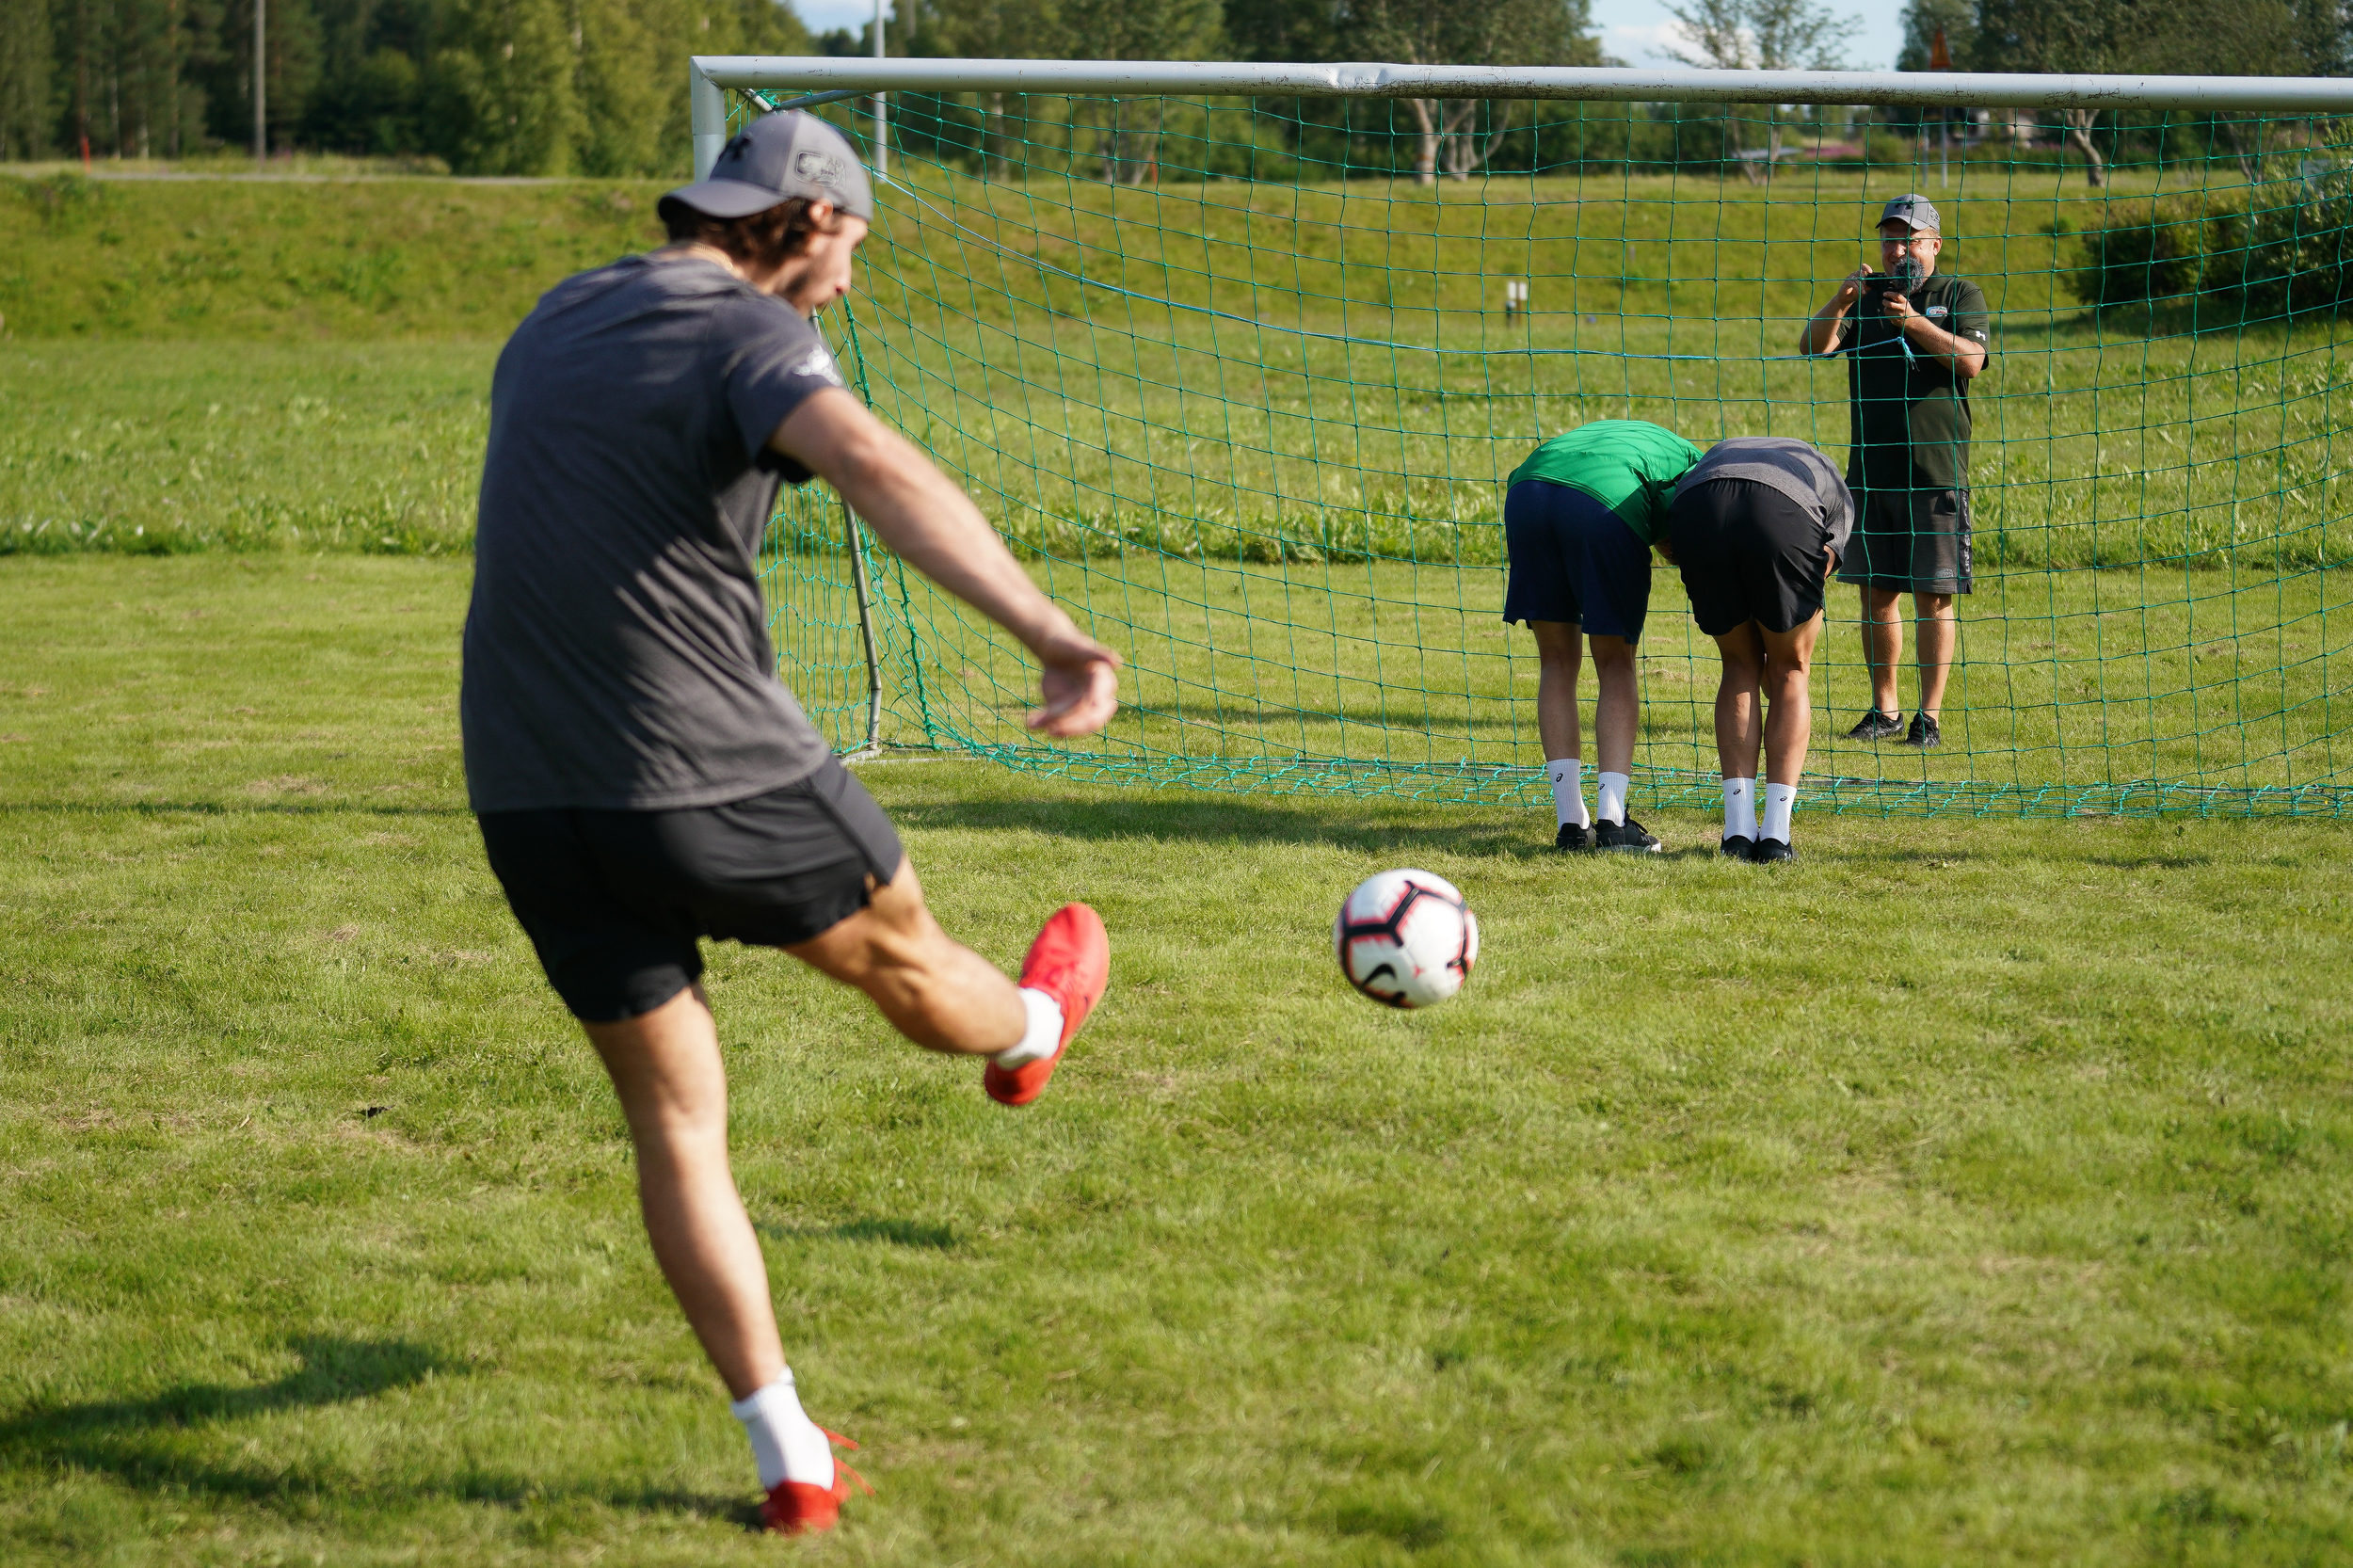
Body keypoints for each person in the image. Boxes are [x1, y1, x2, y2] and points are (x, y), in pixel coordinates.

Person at [458, 111, 1122, 1536]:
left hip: (528, 790)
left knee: (678, 1125)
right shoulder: (744, 333)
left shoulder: (556, 313)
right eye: (855, 248)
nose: (852, 284)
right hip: (707, 770)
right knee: (911, 963)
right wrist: (1055, 636)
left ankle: (789, 1454)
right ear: (809, 219)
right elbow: (873, 463)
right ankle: (1030, 1032)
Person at [1797, 192, 1990, 749]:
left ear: (1934, 244)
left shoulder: (1957, 293)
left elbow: (1970, 362)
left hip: (1934, 472)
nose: (1897, 248)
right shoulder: (1867, 298)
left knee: (1934, 593)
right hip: (1871, 475)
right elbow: (1813, 347)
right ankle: (1885, 709)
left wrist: (1913, 324)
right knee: (1877, 594)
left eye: (1908, 238)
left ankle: (1928, 717)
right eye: (1888, 238)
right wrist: (1841, 299)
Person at [1501, 418, 1704, 853]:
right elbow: (1678, 533)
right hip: (1601, 506)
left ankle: (1571, 825)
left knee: (1555, 661)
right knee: (1614, 662)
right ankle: (1613, 822)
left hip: (1527, 492)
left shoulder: (1635, 439)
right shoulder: (1697, 467)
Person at [1663, 436, 1854, 863]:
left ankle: (1736, 833)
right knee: (1790, 669)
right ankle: (1775, 836)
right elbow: (1822, 561)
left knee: (1738, 664)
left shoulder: (1718, 452)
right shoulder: (1832, 482)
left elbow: (1671, 542)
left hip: (1700, 504)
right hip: (1782, 509)